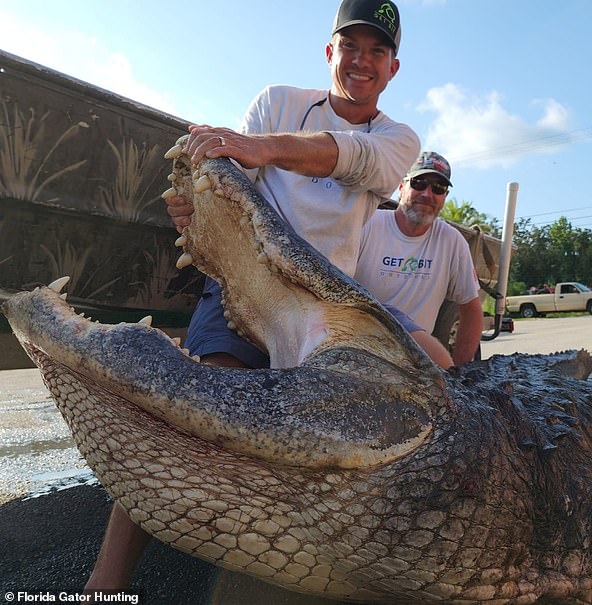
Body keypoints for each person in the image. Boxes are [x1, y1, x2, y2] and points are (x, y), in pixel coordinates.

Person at [85, 0, 420, 592]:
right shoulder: (277, 100)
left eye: (377, 50)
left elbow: (358, 159)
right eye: (351, 46)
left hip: (325, 303)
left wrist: (260, 147)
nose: (362, 60)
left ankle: (297, 562)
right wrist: (196, 204)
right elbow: (232, 188)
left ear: (393, 67)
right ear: (329, 52)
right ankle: (105, 582)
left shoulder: (399, 140)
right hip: (244, 276)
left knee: (329, 440)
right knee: (188, 402)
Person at [354, 151, 483, 367]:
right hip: (358, 351)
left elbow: (471, 309)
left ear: (444, 197)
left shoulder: (451, 241)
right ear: (401, 187)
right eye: (419, 183)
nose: (427, 194)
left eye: (438, 188)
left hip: (415, 363)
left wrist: (461, 375)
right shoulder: (365, 225)